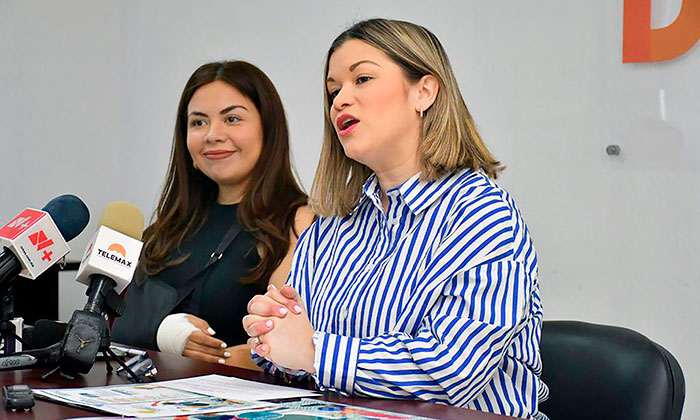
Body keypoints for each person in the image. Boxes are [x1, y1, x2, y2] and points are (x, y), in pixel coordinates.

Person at [243, 19, 548, 419]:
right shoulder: (333, 225)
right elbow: (294, 356)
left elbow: (453, 374)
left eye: (362, 79)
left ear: (423, 91)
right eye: (333, 90)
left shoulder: (482, 212)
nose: (339, 101)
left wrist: (315, 351)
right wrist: (270, 335)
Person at [112, 61, 314, 369]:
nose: (212, 135)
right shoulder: (166, 228)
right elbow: (115, 330)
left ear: (268, 129)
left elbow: (288, 351)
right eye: (198, 123)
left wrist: (183, 353)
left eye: (232, 119)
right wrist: (167, 337)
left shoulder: (297, 223)